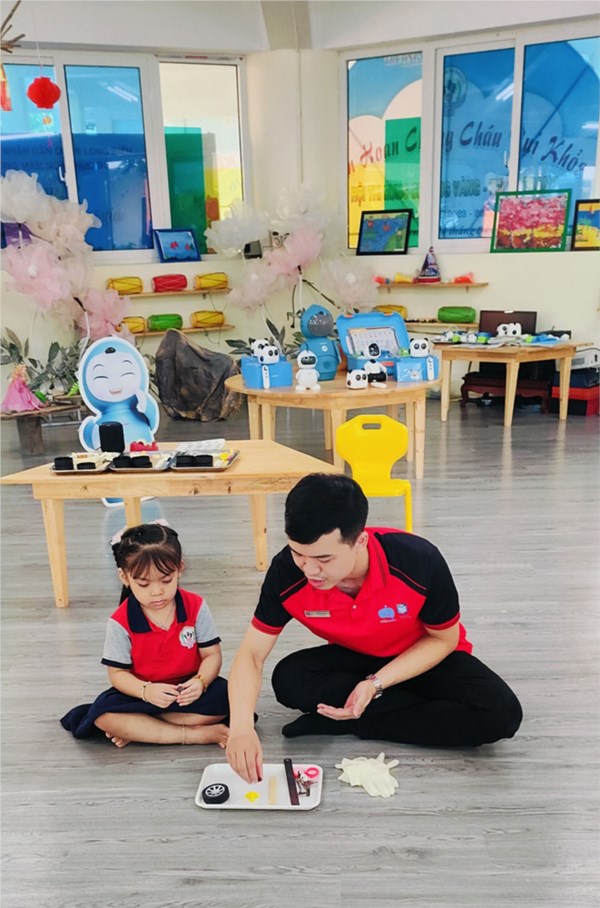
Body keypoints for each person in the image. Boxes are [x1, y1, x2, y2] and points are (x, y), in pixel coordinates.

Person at [226, 474, 522, 783]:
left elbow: (443, 640)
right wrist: (241, 728)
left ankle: (354, 721)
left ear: (360, 542)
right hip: (356, 655)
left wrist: (376, 685)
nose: (310, 570)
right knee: (288, 679)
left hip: (424, 655)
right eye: (298, 553)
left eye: (324, 558)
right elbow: (252, 654)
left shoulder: (418, 561)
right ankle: (417, 712)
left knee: (501, 714)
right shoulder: (286, 573)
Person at [61, 522, 229, 747]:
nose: (157, 592)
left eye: (166, 580)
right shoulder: (120, 622)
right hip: (141, 694)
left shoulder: (196, 606)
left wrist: (200, 682)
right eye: (144, 584)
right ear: (124, 577)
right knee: (103, 715)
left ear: (180, 568)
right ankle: (194, 735)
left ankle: (140, 728)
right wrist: (146, 691)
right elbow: (118, 674)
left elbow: (212, 655)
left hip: (186, 691)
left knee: (229, 697)